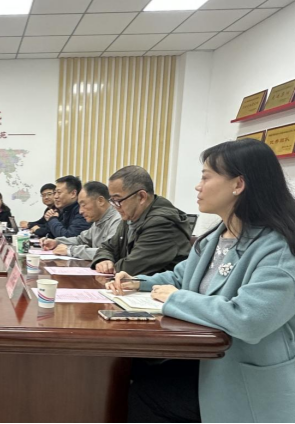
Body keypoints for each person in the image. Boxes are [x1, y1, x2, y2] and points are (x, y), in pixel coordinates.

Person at [107, 139, 295, 423]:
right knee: (133, 372)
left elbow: (250, 319)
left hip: (243, 378)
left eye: (206, 177)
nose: (198, 186)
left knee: (145, 395)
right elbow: (180, 277)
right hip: (206, 361)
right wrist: (139, 283)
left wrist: (174, 299)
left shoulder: (278, 247)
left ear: (238, 184)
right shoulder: (216, 237)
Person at [92, 166, 191, 276]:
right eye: (113, 200)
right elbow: (107, 247)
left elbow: (131, 268)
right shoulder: (130, 216)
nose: (115, 206)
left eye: (118, 200)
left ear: (141, 197)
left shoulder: (162, 224)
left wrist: (110, 267)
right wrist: (104, 259)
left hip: (159, 285)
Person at [41, 181, 121, 261]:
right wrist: (57, 242)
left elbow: (109, 253)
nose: (80, 211)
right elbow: (81, 240)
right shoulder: (98, 220)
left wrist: (70, 251)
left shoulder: (118, 221)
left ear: (100, 201)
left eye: (83, 205)